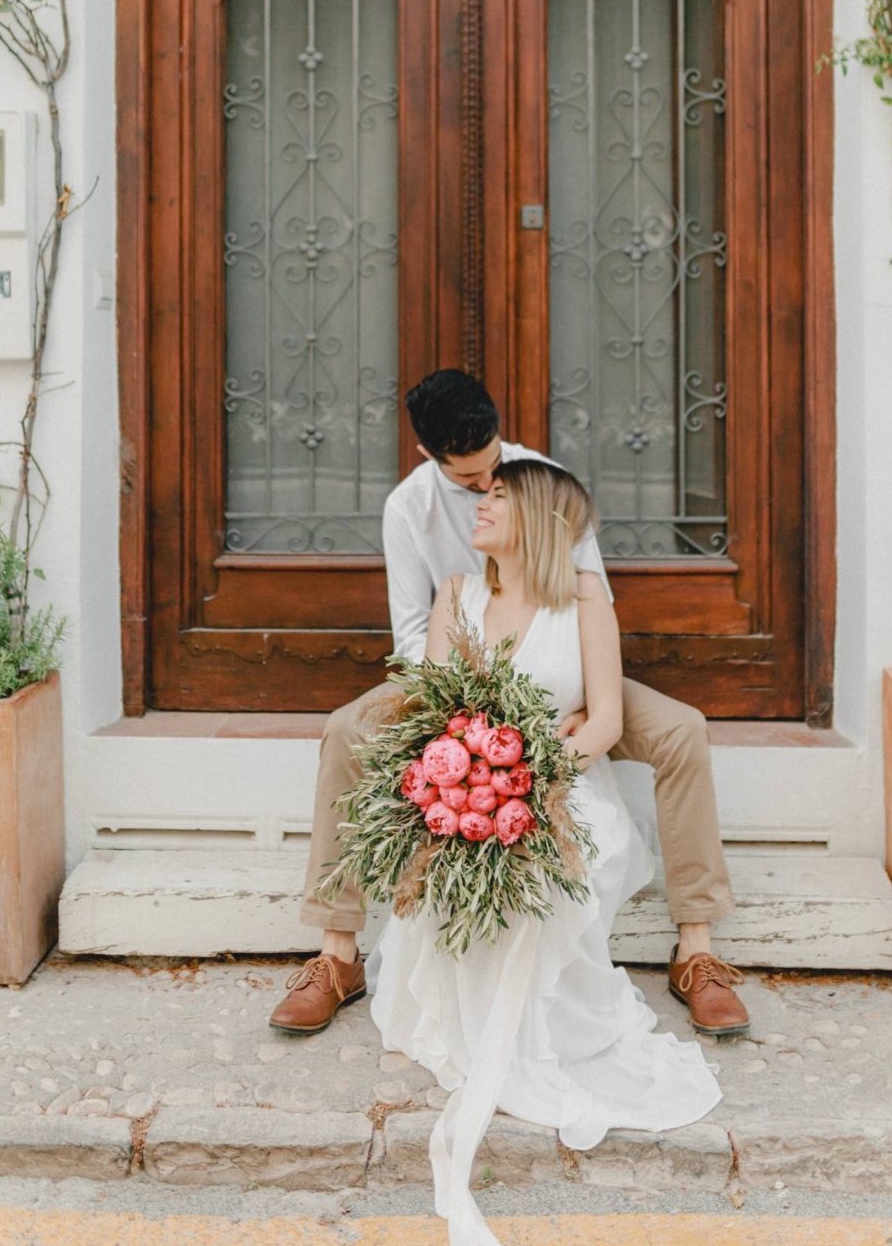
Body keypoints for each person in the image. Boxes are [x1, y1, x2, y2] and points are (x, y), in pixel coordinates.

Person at [269, 369, 748, 1039]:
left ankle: (696, 949)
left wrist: (574, 707)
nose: (486, 489)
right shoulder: (408, 510)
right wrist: (473, 725)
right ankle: (336, 953)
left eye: (496, 469)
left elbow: (589, 595)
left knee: (681, 730)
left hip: (560, 669)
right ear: (429, 459)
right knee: (347, 730)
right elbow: (412, 638)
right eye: (471, 481)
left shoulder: (538, 480)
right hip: (456, 670)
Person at [371, 458, 723, 1246]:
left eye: (497, 498)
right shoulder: (457, 596)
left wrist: (535, 782)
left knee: (567, 866)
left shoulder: (586, 598)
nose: (479, 508)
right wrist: (479, 786)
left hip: (567, 791)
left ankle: (544, 1024)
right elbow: (436, 710)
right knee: (475, 863)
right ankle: (484, 1019)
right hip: (476, 790)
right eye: (479, 495)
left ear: (537, 518)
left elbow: (601, 719)